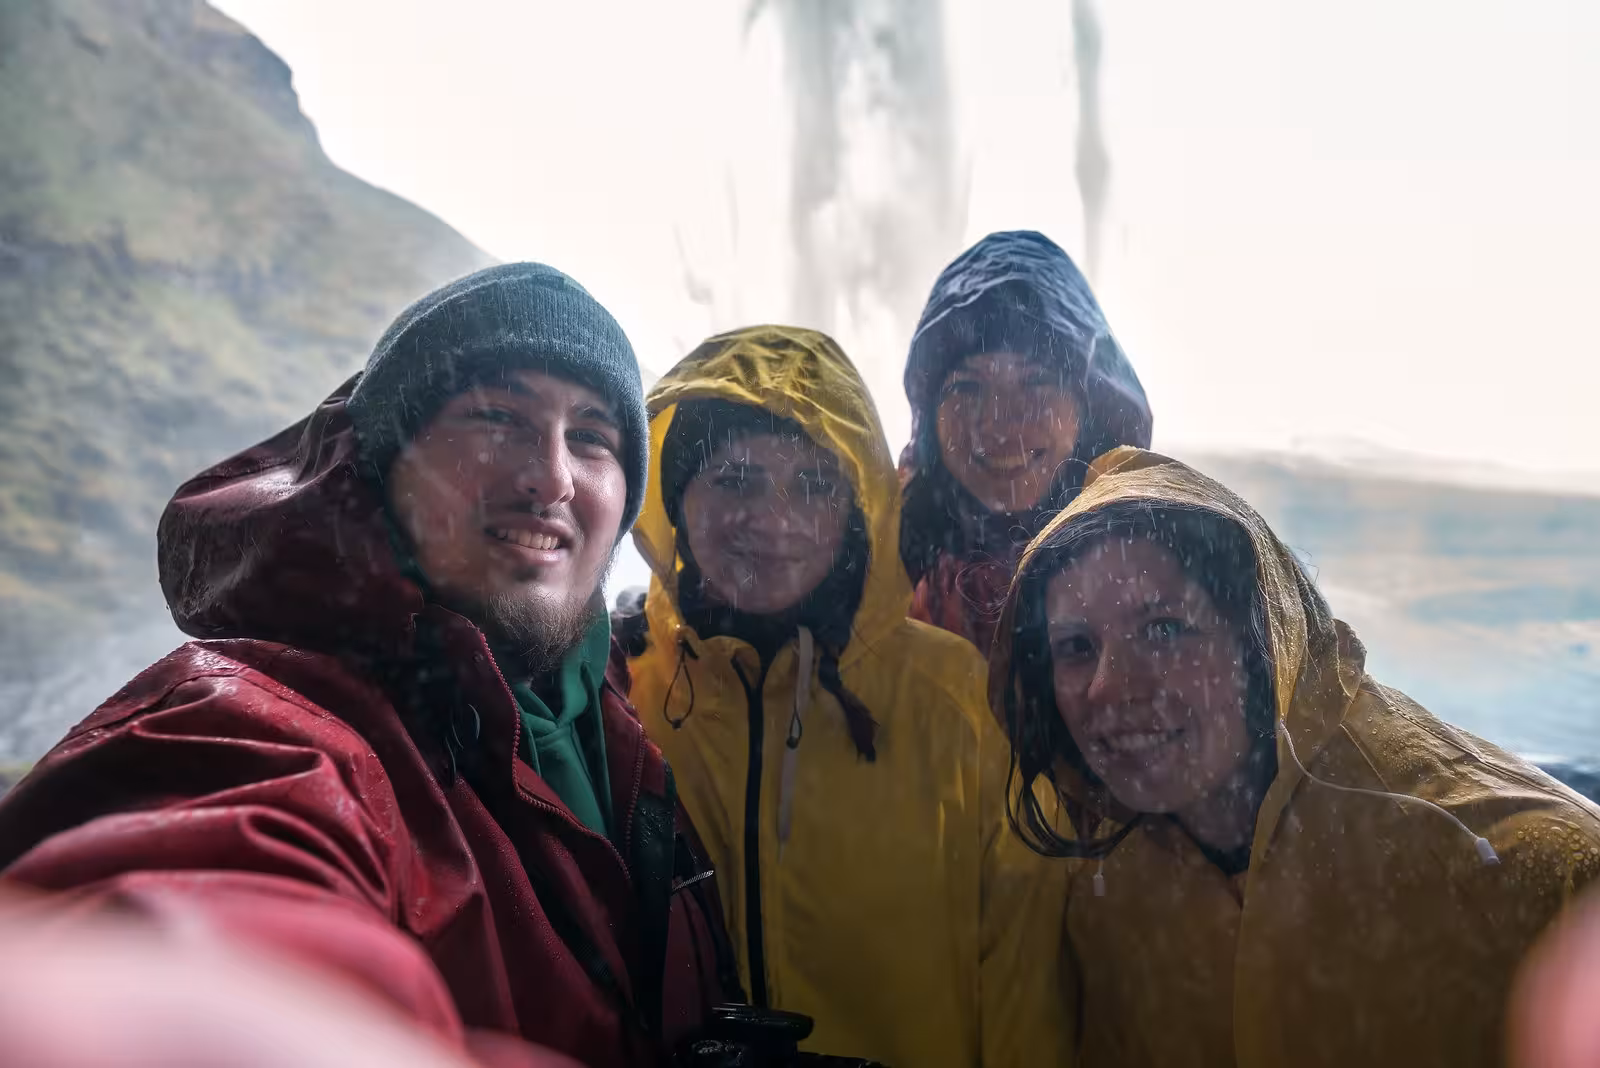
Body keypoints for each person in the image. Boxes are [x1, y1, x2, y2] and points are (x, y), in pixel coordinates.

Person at [0, 264, 735, 1068]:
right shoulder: (262, 725)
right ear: (386, 466)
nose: (551, 476)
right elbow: (196, 900)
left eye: (592, 437)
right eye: (498, 416)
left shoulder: (615, 727)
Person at [986, 445, 1600, 1067]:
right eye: (1077, 646)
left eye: (1164, 630)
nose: (1108, 687)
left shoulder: (1522, 872)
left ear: (1262, 646)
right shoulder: (1112, 884)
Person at [619, 325, 1064, 1068]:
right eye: (734, 480)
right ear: (675, 498)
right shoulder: (627, 691)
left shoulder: (952, 700)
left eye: (815, 485)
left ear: (860, 514)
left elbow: (1026, 978)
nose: (773, 519)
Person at [900, 230, 1152, 655]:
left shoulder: (1158, 561)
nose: (998, 426)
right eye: (967, 388)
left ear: (1089, 409)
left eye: (1036, 384)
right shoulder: (867, 555)